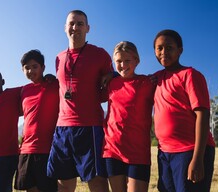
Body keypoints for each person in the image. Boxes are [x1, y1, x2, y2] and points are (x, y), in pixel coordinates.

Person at [47, 10, 113, 192]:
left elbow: (108, 91)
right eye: (71, 23)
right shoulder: (58, 58)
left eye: (80, 23)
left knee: (97, 182)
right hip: (62, 128)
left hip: (90, 126)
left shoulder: (100, 55)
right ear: (64, 28)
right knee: (63, 183)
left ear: (88, 28)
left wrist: (113, 76)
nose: (75, 27)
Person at [152, 29, 215, 192]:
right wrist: (113, 75)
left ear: (180, 50)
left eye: (169, 47)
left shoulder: (190, 75)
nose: (163, 52)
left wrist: (197, 158)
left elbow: (203, 114)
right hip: (164, 152)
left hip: (190, 151)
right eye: (159, 48)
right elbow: (131, 79)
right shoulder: (155, 78)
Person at [102, 41, 155, 192]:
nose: (123, 65)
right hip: (112, 149)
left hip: (138, 152)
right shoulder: (111, 83)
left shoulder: (147, 83)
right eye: (118, 61)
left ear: (137, 61)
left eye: (127, 60)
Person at [14, 49, 59, 192]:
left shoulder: (54, 85)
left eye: (34, 66)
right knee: (30, 189)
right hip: (26, 149)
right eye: (27, 68)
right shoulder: (23, 90)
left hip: (47, 149)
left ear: (43, 68)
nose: (30, 70)